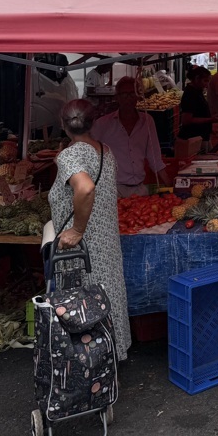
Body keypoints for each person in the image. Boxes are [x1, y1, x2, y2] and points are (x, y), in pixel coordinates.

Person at [49, 98, 131, 360]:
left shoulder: (71, 155)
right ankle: (111, 354)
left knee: (85, 301)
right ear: (93, 123)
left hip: (83, 251)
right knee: (108, 295)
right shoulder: (105, 151)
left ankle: (91, 361)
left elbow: (85, 187)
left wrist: (77, 230)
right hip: (106, 244)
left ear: (63, 125)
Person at [90, 76, 165, 198]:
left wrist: (170, 186)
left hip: (140, 190)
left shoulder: (147, 121)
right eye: (124, 94)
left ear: (138, 96)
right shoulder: (102, 124)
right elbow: (87, 149)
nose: (128, 98)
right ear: (117, 97)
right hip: (113, 190)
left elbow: (155, 159)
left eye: (132, 94)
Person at [177, 65, 213, 143]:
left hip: (199, 137)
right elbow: (186, 120)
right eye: (205, 81)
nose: (207, 85)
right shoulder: (190, 94)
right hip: (192, 139)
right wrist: (210, 119)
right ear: (197, 79)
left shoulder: (197, 91)